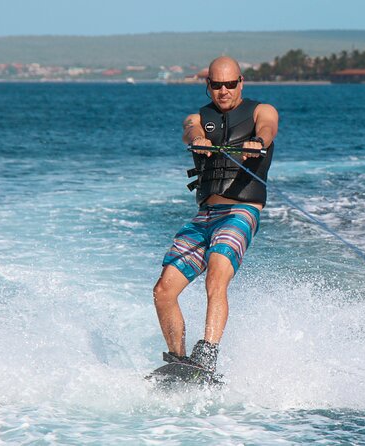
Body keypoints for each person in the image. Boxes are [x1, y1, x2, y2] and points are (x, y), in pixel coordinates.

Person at [152, 56, 279, 373]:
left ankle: (207, 355)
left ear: (241, 82)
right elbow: (190, 129)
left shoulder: (262, 111)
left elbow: (268, 128)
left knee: (216, 275)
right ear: (208, 86)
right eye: (217, 85)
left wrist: (258, 142)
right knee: (163, 290)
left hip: (241, 210)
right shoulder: (198, 118)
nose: (224, 90)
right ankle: (179, 362)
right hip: (206, 216)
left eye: (230, 84)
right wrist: (197, 139)